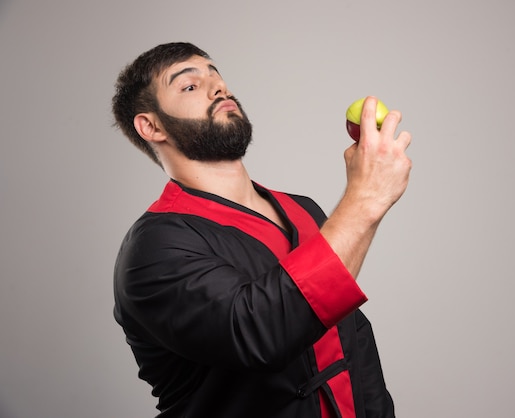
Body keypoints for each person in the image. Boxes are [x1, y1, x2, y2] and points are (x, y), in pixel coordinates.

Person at [112, 42, 411, 418]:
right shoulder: (154, 249)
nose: (217, 87)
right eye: (190, 86)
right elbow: (261, 332)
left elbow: (353, 342)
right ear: (151, 126)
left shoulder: (302, 209)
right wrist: (365, 199)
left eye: (216, 75)